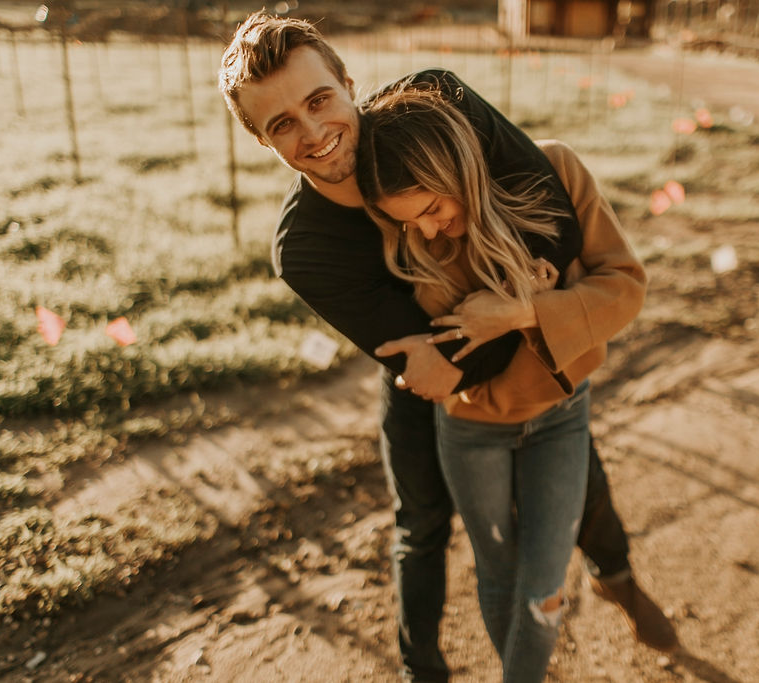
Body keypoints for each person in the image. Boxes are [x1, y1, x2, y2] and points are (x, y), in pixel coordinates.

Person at [217, 13, 678, 681]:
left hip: (530, 347)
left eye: (319, 100)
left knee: (582, 487)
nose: (313, 132)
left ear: (349, 84)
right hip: (424, 376)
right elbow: (447, 358)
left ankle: (617, 577)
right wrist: (500, 313)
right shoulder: (306, 248)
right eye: (281, 123)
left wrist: (524, 307)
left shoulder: (436, 111)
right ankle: (422, 666)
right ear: (260, 139)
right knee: (422, 523)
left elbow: (557, 227)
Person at [355, 83, 650, 681]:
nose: (433, 230)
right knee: (499, 574)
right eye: (415, 222)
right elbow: (449, 340)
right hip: (472, 429)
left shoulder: (555, 169)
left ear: (458, 165)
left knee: (542, 587)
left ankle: (621, 586)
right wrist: (534, 296)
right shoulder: (418, 245)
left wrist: (524, 311)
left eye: (435, 208)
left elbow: (624, 287)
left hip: (560, 415)